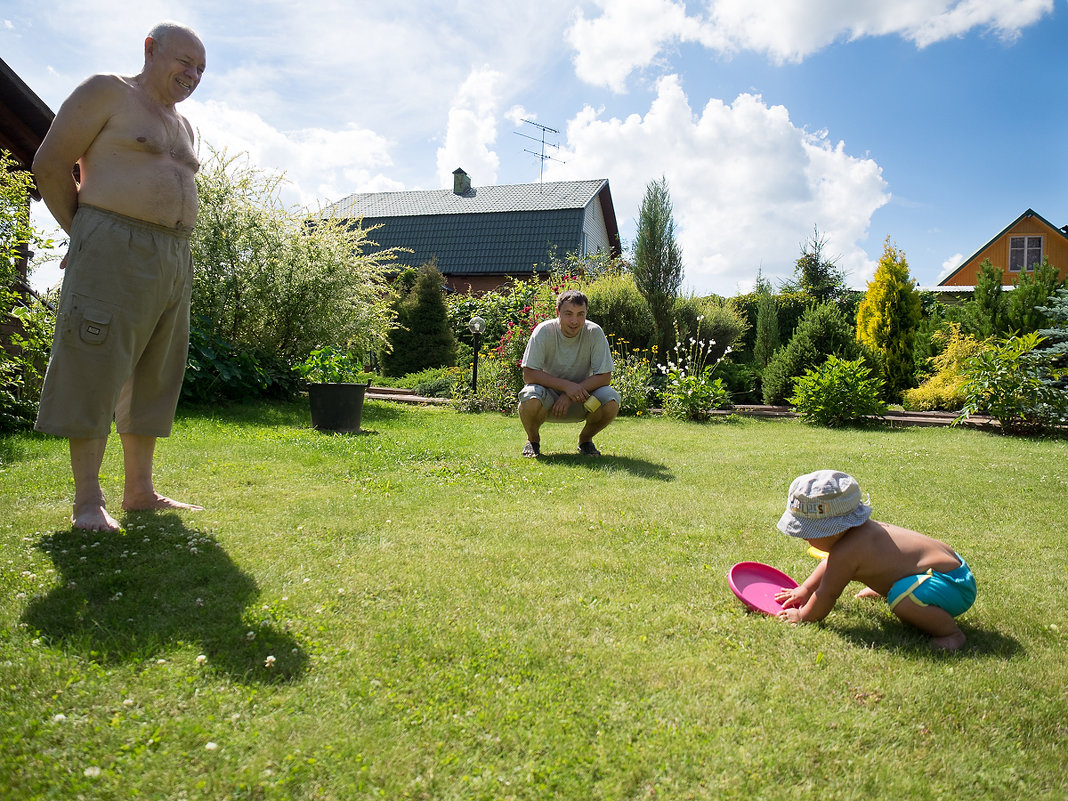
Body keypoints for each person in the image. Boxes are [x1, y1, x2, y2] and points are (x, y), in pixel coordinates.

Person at [32, 21, 207, 532]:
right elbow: (50, 162)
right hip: (112, 243)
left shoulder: (183, 124)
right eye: (184, 62)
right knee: (94, 365)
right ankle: (88, 502)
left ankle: (140, 491)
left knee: (156, 372)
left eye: (201, 69)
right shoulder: (106, 91)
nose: (193, 75)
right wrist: (84, 233)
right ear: (151, 49)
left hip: (174, 255)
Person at [773, 470, 977, 651]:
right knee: (893, 578)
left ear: (832, 531)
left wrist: (804, 616)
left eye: (808, 532)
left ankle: (950, 634)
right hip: (951, 569)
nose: (803, 537)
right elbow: (831, 564)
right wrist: (806, 589)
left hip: (951, 586)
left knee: (901, 600)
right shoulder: (858, 535)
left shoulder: (848, 551)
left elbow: (828, 593)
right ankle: (889, 587)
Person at [518, 290, 620, 457]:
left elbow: (605, 377)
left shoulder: (594, 332)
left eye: (581, 314)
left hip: (582, 399)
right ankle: (533, 440)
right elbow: (529, 374)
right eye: (568, 314)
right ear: (558, 313)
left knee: (610, 399)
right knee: (529, 396)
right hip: (547, 399)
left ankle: (585, 441)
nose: (575, 321)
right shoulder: (543, 331)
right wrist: (566, 387)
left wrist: (571, 393)